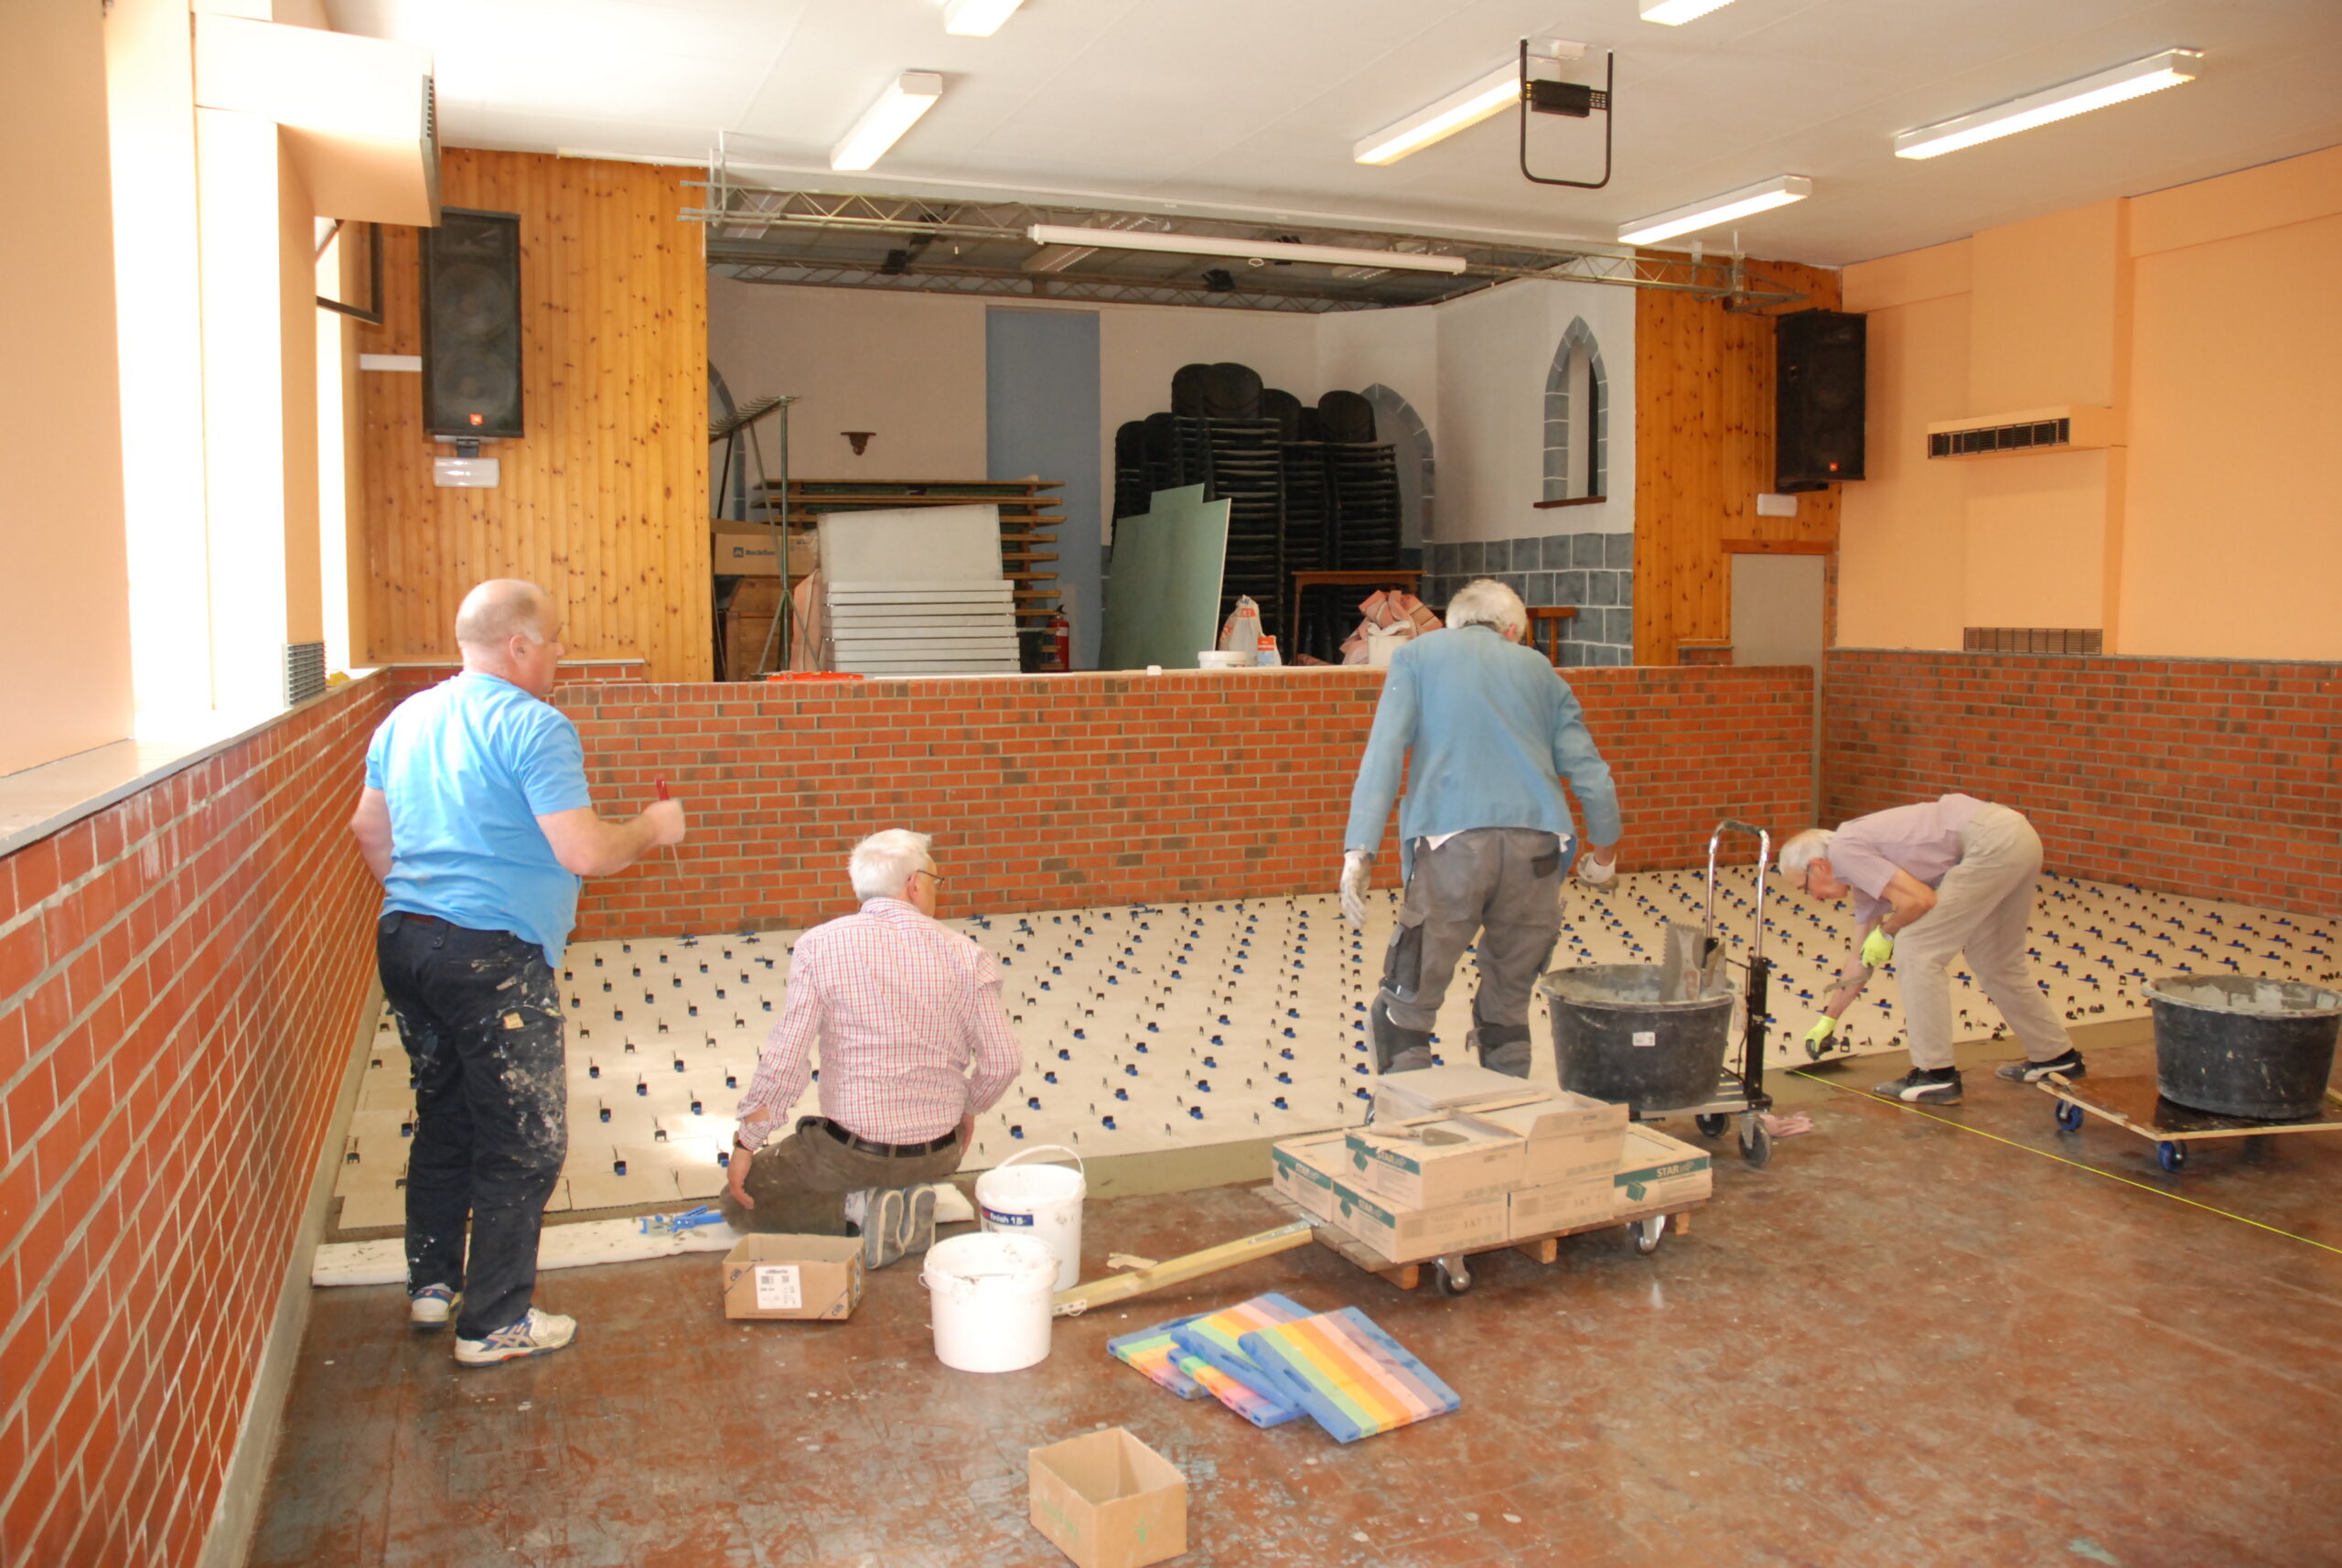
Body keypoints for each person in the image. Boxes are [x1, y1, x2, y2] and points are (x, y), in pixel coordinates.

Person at [349, 579, 686, 1366]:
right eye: (555, 638)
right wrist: (651, 827)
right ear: (519, 645)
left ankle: (433, 1284)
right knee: (523, 1141)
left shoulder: (407, 717)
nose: (561, 652)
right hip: (490, 961)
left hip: (406, 942)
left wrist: (430, 902)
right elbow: (585, 852)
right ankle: (494, 1323)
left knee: (445, 1113)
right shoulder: (535, 725)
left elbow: (367, 827)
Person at [1339, 578, 1623, 1079]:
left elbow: (1384, 753)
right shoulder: (1539, 669)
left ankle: (1409, 1107)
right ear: (1511, 630)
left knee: (1408, 998)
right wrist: (1604, 856)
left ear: (1453, 624)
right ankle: (1506, 1105)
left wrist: (1358, 850)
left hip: (1451, 846)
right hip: (1538, 849)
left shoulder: (1417, 657)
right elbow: (1591, 774)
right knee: (1509, 1001)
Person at [723, 830, 1020, 1267]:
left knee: (738, 1202)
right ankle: (902, 1197)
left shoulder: (820, 946)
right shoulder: (968, 955)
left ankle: (857, 1210)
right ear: (913, 884)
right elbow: (1004, 1062)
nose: (936, 891)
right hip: (940, 1152)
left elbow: (786, 1058)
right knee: (897, 1164)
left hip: (852, 1153)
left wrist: (747, 1143)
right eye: (935, 881)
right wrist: (969, 1108)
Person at [1780, 794, 2081, 1105]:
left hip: (1990, 842)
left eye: (1805, 888)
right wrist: (1828, 1020)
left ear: (1818, 866)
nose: (1814, 898)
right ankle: (2056, 1056)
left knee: (1916, 949)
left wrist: (1888, 932)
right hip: (2016, 836)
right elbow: (1860, 958)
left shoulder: (1846, 850)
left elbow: (1920, 900)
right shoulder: (1860, 868)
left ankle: (1935, 1075)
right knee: (1995, 960)